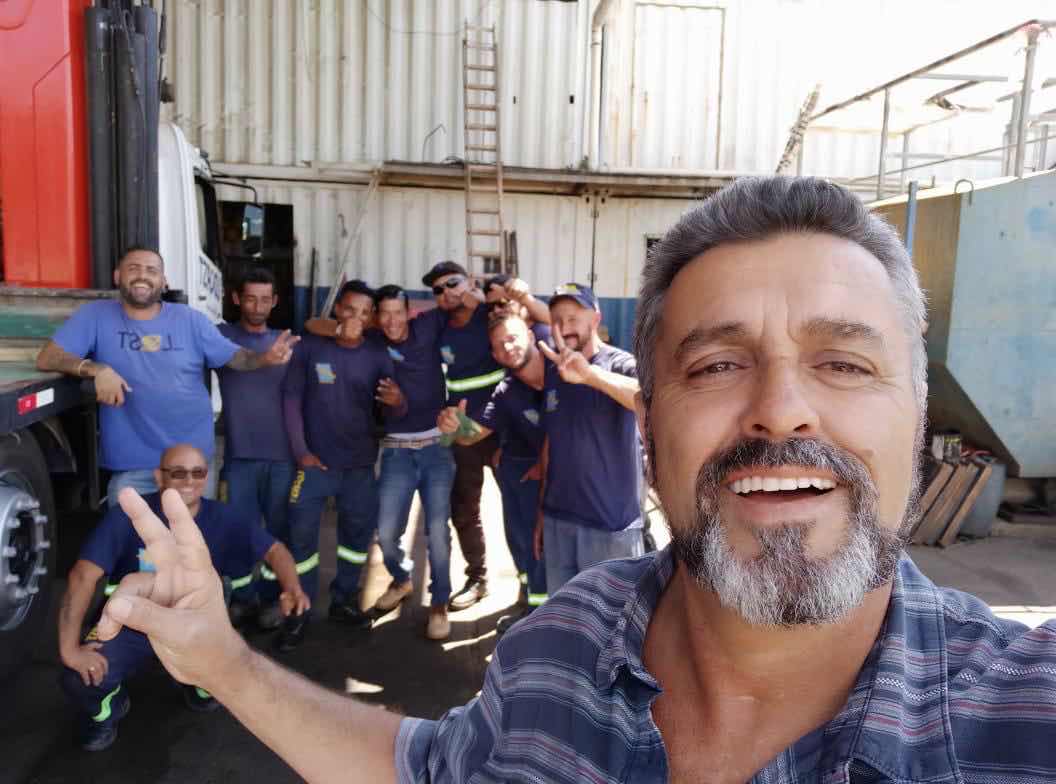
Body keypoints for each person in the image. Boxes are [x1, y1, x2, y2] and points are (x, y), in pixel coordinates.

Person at [91, 177, 1056, 783]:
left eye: (843, 363)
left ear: (918, 410)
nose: (782, 410)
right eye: (717, 365)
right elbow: (420, 767)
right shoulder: (559, 648)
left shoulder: (1023, 716)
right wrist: (221, 660)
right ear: (656, 419)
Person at [57, 444, 308, 752]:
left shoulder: (225, 517)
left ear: (206, 477)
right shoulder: (128, 516)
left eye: (198, 472)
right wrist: (69, 649)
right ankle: (108, 709)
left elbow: (276, 551)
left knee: (225, 670)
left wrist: (292, 588)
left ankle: (200, 689)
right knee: (79, 678)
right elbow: (82, 576)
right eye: (178, 472)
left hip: (194, 622)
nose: (189, 481)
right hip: (131, 623)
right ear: (159, 476)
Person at [35, 248, 297, 505]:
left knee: (190, 534)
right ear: (117, 276)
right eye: (133, 268)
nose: (142, 275)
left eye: (152, 270)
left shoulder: (190, 320)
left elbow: (237, 358)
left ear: (163, 281)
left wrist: (265, 358)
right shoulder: (96, 315)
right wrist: (96, 369)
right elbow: (48, 357)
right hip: (133, 467)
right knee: (132, 534)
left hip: (190, 465)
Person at [281, 280, 405, 648]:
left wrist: (397, 402)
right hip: (313, 466)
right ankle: (298, 611)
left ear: (372, 319)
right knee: (301, 541)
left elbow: (389, 411)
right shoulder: (310, 347)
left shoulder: (378, 354)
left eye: (365, 313)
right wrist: (301, 452)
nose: (356, 317)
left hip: (359, 468)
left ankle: (344, 601)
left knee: (355, 541)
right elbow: (291, 399)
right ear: (337, 309)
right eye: (350, 309)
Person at [423, 261, 549, 612]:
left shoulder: (494, 313)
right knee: (464, 510)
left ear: (469, 282)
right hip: (466, 428)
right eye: (438, 290)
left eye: (453, 283)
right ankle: (478, 578)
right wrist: (453, 425)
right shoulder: (438, 324)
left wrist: (520, 296)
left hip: (507, 432)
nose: (447, 292)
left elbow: (543, 320)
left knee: (523, 512)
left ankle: (533, 590)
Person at [534, 282, 646, 593]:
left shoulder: (620, 364)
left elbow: (649, 399)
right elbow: (552, 442)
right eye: (557, 320)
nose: (564, 327)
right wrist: (543, 511)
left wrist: (590, 375)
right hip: (559, 521)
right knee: (565, 615)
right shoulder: (554, 371)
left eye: (573, 318)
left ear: (595, 319)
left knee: (614, 618)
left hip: (611, 527)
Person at [368, 284, 457, 641]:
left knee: (437, 531)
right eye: (384, 313)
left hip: (436, 448)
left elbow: (456, 305)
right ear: (377, 316)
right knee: (386, 533)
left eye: (397, 312)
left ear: (409, 312)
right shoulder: (373, 341)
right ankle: (402, 579)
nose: (392, 321)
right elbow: (319, 325)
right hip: (396, 451)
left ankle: (439, 602)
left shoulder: (427, 326)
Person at [216, 267, 296, 630]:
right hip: (239, 457)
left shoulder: (289, 342)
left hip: (283, 457)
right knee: (238, 531)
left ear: (275, 301)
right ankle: (243, 598)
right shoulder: (222, 337)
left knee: (278, 532)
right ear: (237, 298)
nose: (258, 306)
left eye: (265, 299)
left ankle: (273, 598)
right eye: (250, 298)